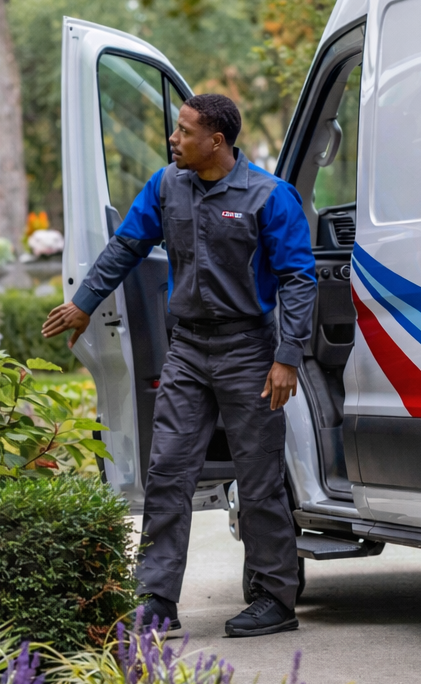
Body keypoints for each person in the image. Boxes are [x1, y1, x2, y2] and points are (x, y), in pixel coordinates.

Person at [41, 93, 316, 638]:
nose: (174, 138)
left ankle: (274, 600)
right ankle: (156, 601)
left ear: (217, 141)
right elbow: (127, 246)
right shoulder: (167, 187)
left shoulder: (269, 197)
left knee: (260, 479)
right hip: (187, 350)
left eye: (185, 131)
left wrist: (287, 358)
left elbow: (299, 280)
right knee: (167, 474)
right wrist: (84, 303)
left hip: (249, 352)